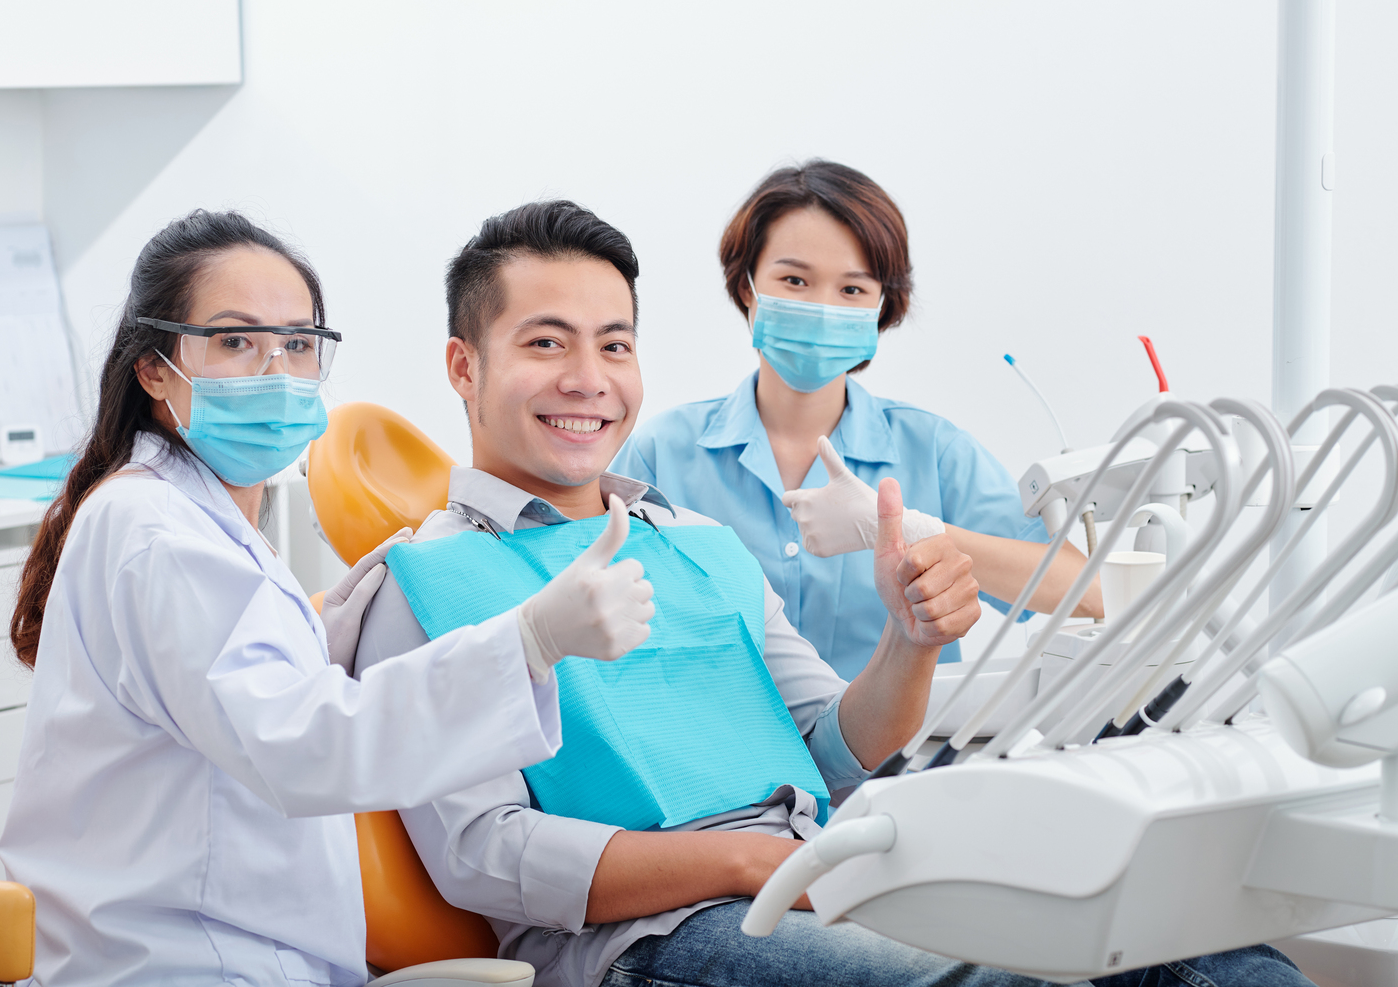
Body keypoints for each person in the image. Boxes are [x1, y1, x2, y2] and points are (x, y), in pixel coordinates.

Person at [353, 201, 1312, 987]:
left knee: (1173, 944)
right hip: (652, 940)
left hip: (817, 871)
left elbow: (833, 749)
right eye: (547, 343)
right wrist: (743, 862)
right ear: (463, 367)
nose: (588, 380)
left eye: (614, 346)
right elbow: (486, 852)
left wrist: (910, 641)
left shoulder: (697, 545)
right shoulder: (424, 585)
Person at [0, 210, 650, 987]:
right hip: (178, 964)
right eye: (236, 342)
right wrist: (530, 640)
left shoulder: (197, 514)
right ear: (155, 368)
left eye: (299, 344)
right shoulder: (157, 531)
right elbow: (306, 747)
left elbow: (246, 693)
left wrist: (321, 626)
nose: (276, 370)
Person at [610, 160, 1102, 679]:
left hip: (902, 760)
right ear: (749, 288)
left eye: (851, 290)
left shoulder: (933, 450)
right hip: (720, 753)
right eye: (794, 279)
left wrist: (910, 529)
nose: (821, 307)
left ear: (882, 306)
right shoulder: (663, 452)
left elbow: (1091, 592)